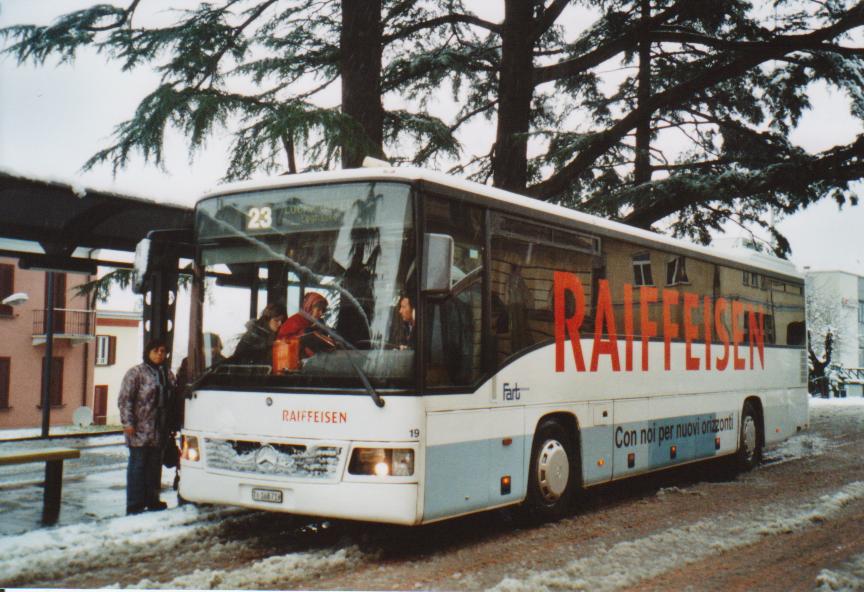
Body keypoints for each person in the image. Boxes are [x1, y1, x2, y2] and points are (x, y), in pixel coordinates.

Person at [118, 338, 176, 515]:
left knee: (154, 467)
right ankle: (135, 504)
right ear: (148, 352)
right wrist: (128, 422)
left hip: (160, 430)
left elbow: (173, 400)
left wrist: (172, 425)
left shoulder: (167, 374)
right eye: (156, 350)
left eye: (163, 351)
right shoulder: (136, 373)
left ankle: (152, 500)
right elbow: (125, 399)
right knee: (138, 466)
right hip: (139, 429)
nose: (160, 354)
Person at [277, 292, 335, 358]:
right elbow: (281, 342)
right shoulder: (295, 320)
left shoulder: (319, 322)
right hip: (293, 359)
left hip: (317, 358)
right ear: (309, 308)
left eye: (323, 310)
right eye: (318, 309)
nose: (321, 313)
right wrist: (304, 333)